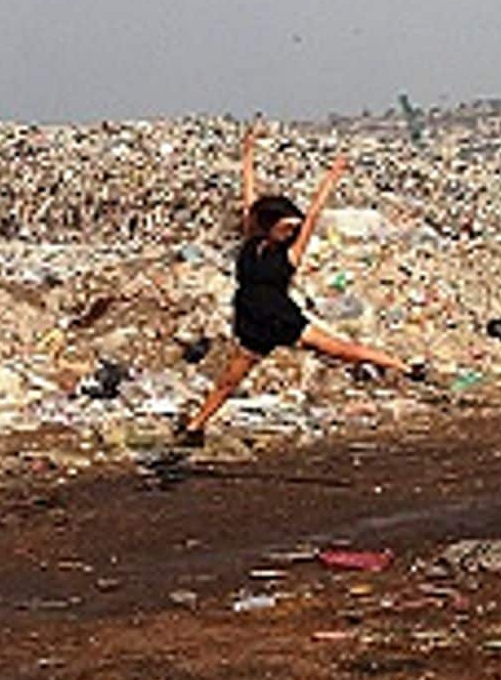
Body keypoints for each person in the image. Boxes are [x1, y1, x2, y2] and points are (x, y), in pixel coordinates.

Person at [176, 124, 421, 447]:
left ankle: (405, 368)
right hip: (252, 321)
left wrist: (332, 178)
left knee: (342, 350)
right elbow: (250, 198)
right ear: (269, 225)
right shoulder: (252, 239)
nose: (291, 231)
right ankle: (195, 428)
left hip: (282, 318)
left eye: (294, 227)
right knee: (228, 382)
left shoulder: (290, 253)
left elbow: (315, 213)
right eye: (286, 226)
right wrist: (247, 154)